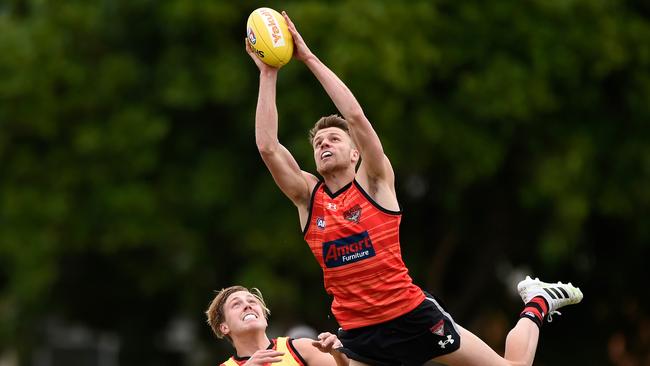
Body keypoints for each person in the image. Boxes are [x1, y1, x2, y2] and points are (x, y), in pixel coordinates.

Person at [245, 10, 584, 366]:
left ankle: (537, 301)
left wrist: (309, 58)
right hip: (359, 333)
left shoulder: (374, 182)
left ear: (355, 152)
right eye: (318, 143)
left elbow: (357, 118)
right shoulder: (309, 198)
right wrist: (269, 73)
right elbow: (268, 148)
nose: (324, 144)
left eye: (334, 138)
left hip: (411, 316)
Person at [206, 285, 349, 366]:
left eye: (252, 301)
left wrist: (339, 355)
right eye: (236, 304)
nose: (247, 306)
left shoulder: (300, 348)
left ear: (264, 318)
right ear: (224, 327)